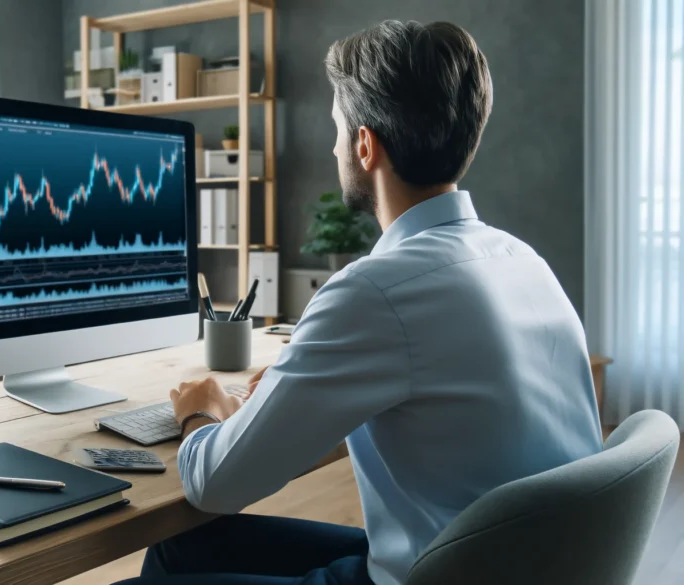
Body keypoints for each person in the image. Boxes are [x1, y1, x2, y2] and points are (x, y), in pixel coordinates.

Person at [115, 19, 603, 585]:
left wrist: (202, 411)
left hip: (433, 573)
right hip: (515, 561)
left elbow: (213, 485)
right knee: (180, 551)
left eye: (337, 130)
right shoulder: (522, 259)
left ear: (365, 145)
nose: (333, 146)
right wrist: (301, 384)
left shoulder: (376, 291)